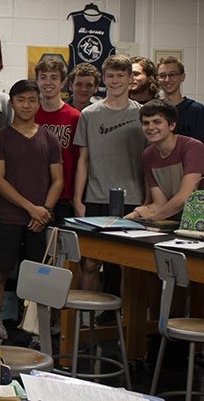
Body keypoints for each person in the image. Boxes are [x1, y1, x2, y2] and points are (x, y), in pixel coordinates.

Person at [0, 79, 62, 338]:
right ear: (12, 103)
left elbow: (58, 180)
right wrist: (32, 208)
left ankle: (37, 332)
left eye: (31, 100)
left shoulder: (49, 139)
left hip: (41, 220)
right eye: (21, 100)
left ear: (38, 103)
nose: (26, 105)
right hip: (8, 217)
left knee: (39, 279)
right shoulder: (0, 139)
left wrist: (45, 210)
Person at [73, 54, 145, 293]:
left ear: (129, 79)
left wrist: (148, 202)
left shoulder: (142, 115)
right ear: (103, 79)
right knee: (91, 262)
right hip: (96, 198)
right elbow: (83, 160)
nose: (115, 81)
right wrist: (78, 200)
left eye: (120, 76)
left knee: (128, 265)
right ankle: (85, 322)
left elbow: (149, 162)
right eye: (110, 76)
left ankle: (123, 321)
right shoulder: (89, 114)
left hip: (133, 200)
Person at [125, 100, 204, 221]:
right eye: (146, 123)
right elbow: (160, 203)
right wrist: (134, 215)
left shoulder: (193, 147)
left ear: (172, 125)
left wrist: (152, 218)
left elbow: (185, 197)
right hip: (196, 218)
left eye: (157, 122)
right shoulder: (148, 155)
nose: (150, 127)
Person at [34, 58, 81, 224]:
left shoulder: (74, 117)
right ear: (37, 81)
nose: (48, 82)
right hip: (34, 195)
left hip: (64, 196)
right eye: (43, 77)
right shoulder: (30, 115)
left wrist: (77, 198)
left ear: (62, 83)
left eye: (54, 77)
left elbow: (80, 160)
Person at [157, 56, 204, 161]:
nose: (167, 79)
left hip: (191, 172)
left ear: (182, 77)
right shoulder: (154, 110)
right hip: (160, 172)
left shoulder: (196, 110)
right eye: (162, 75)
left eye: (172, 75)